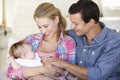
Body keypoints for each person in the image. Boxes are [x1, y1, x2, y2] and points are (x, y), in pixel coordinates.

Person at [42, 0, 120, 80]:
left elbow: (97, 75)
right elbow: (52, 35)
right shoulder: (73, 34)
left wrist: (64, 64)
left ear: (91, 22)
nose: (72, 26)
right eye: (71, 22)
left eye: (76, 24)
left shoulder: (114, 42)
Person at [7, 2, 76, 80]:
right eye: (39, 27)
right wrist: (41, 70)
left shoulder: (68, 43)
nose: (42, 31)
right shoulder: (31, 39)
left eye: (46, 26)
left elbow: (72, 74)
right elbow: (10, 71)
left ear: (56, 19)